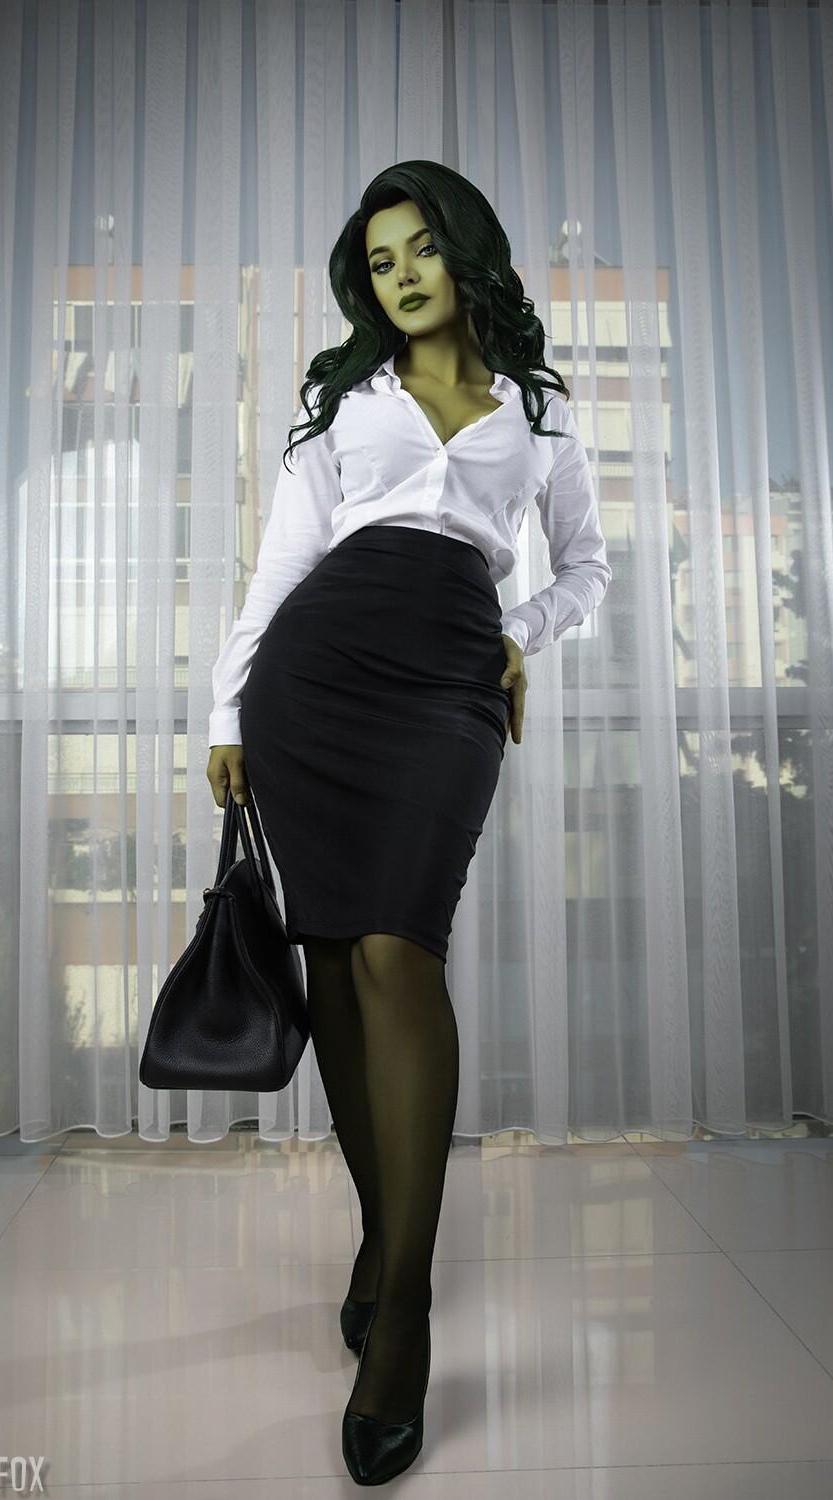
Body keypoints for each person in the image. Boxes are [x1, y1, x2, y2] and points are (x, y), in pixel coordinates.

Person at [205, 160, 611, 1486]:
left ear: (464, 251)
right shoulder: (347, 405)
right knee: (334, 960)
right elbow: (283, 563)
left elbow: (588, 566)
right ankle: (382, 1245)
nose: (403, 277)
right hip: (314, 678)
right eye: (380, 263)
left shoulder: (539, 414)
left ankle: (406, 1314)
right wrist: (226, 709)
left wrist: (518, 633)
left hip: (446, 679)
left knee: (398, 951)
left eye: (421, 248)